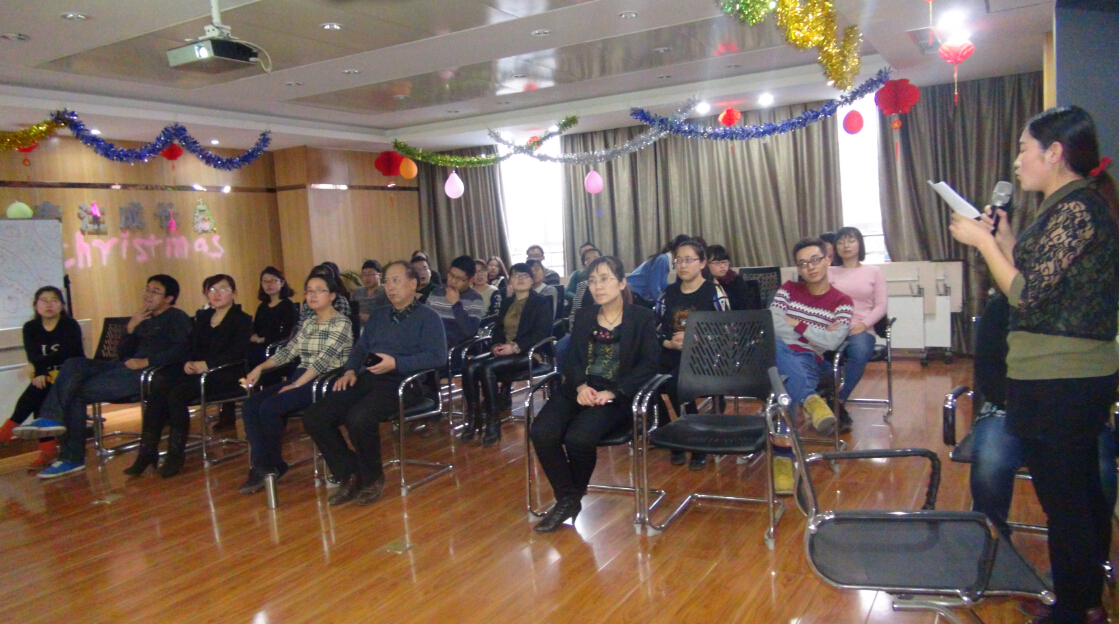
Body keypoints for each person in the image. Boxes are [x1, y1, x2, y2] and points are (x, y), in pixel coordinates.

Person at [948, 105, 1119, 624]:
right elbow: (1038, 277)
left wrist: (982, 242)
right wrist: (1003, 240)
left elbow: (1025, 295)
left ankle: (1073, 609)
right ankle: (1085, 600)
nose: (1018, 161)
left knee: (1066, 499)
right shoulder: (1067, 205)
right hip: (1063, 375)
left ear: (1055, 153)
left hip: (1060, 376)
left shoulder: (1076, 208)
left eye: (1025, 150)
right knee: (1079, 492)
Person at [968, 292, 1117, 541]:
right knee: (991, 463)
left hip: (1076, 410)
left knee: (1100, 470)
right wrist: (1019, 402)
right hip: (1008, 407)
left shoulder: (1089, 304)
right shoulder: (1001, 308)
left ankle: (1091, 543)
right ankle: (992, 540)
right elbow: (988, 371)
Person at [529, 255, 660, 533]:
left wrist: (613, 392)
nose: (597, 286)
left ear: (621, 283)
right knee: (542, 432)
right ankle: (568, 498)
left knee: (578, 438)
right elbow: (571, 358)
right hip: (579, 388)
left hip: (615, 396)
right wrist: (579, 385)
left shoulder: (641, 317)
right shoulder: (585, 315)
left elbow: (649, 364)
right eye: (592, 281)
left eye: (605, 279)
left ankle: (568, 500)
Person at [15, 275, 192, 479]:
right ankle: (51, 420)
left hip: (147, 374)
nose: (147, 295)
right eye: (147, 289)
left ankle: (70, 457)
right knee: (73, 364)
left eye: (155, 291)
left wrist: (146, 361)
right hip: (124, 367)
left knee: (74, 393)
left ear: (169, 298)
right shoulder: (143, 317)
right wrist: (131, 328)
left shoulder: (176, 317)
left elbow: (183, 350)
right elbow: (122, 353)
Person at [302, 261, 447, 506]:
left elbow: (437, 357)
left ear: (413, 284)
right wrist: (350, 370)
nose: (390, 286)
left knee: (359, 418)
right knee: (315, 416)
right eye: (387, 281)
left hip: (403, 382)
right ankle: (350, 472)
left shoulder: (429, 317)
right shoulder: (379, 315)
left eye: (396, 280)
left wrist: (396, 363)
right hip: (368, 377)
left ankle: (372, 479)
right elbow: (361, 348)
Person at [125, 274, 252, 478]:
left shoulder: (242, 319)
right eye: (211, 290)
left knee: (177, 395)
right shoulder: (203, 317)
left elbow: (237, 353)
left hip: (223, 374)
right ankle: (147, 452)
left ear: (234, 293)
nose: (216, 294)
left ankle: (176, 455)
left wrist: (207, 364)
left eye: (223, 289)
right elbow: (189, 346)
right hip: (197, 372)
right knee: (158, 389)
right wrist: (188, 362)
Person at [238, 273, 353, 494]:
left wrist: (297, 385)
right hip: (301, 376)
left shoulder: (342, 323)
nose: (312, 295)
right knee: (250, 405)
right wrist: (259, 368)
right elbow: (288, 352)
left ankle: (272, 466)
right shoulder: (309, 322)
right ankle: (262, 466)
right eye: (309, 291)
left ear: (332, 296)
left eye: (319, 290)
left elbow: (322, 362)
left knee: (270, 407)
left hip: (325, 381)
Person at [770, 238, 853, 492]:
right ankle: (811, 400)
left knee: (782, 391)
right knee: (774, 342)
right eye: (803, 263)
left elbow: (833, 341)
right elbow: (771, 322)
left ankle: (783, 460)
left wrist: (795, 322)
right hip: (773, 354)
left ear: (828, 259)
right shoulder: (788, 288)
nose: (810, 267)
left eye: (815, 260)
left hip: (806, 358)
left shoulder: (842, 301)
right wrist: (815, 332)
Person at [654, 240, 729, 470]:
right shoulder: (668, 293)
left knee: (676, 383)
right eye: (679, 260)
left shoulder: (714, 292)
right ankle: (672, 435)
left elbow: (728, 330)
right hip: (671, 352)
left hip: (704, 356)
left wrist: (697, 340)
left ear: (702, 263)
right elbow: (653, 327)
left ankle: (696, 443)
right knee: (645, 378)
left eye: (689, 260)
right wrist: (668, 342)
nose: (683, 265)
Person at [460, 263, 553, 446]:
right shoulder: (507, 302)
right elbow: (498, 329)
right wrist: (497, 345)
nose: (520, 279)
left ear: (532, 280)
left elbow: (541, 333)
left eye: (525, 275)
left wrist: (515, 347)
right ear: (510, 281)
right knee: (469, 366)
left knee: (487, 368)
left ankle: (493, 423)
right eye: (516, 276)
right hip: (505, 351)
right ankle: (474, 418)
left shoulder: (541, 302)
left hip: (529, 353)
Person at [0, 287, 84, 469]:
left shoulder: (69, 325)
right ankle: (46, 450)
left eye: (54, 300)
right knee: (41, 389)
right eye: (44, 300)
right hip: (48, 377)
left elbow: (67, 354)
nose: (49, 304)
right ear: (36, 305)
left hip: (72, 376)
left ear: (61, 305)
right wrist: (40, 371)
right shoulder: (30, 327)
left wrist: (38, 367)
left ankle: (8, 433)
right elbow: (32, 354)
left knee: (40, 389)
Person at [827, 227, 887, 431]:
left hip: (861, 327)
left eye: (851, 240)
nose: (846, 245)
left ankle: (837, 400)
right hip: (832, 327)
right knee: (809, 352)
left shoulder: (873, 272)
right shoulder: (829, 272)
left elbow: (881, 305)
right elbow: (820, 301)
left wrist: (864, 324)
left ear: (859, 244)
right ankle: (819, 399)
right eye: (841, 242)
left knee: (860, 352)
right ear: (835, 247)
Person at [424, 255, 485, 347]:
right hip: (430, 345)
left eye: (459, 278)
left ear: (471, 280)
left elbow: (470, 331)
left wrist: (456, 304)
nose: (453, 281)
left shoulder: (475, 299)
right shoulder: (436, 293)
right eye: (451, 275)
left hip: (455, 348)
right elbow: (425, 321)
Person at [249, 267, 297, 363]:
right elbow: (255, 328)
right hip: (259, 345)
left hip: (277, 347)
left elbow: (287, 333)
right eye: (265, 281)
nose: (269, 284)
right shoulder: (262, 306)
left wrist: (262, 340)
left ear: (282, 283)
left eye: (273, 280)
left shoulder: (288, 306)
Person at [627, 234, 690, 305]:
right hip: (633, 293)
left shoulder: (666, 259)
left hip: (638, 293)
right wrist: (663, 304)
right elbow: (654, 287)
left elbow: (663, 284)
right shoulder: (663, 259)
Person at [705, 245, 763, 311]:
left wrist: (719, 290)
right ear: (705, 264)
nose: (723, 266)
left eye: (725, 262)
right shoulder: (703, 283)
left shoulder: (736, 280)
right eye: (717, 263)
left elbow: (742, 306)